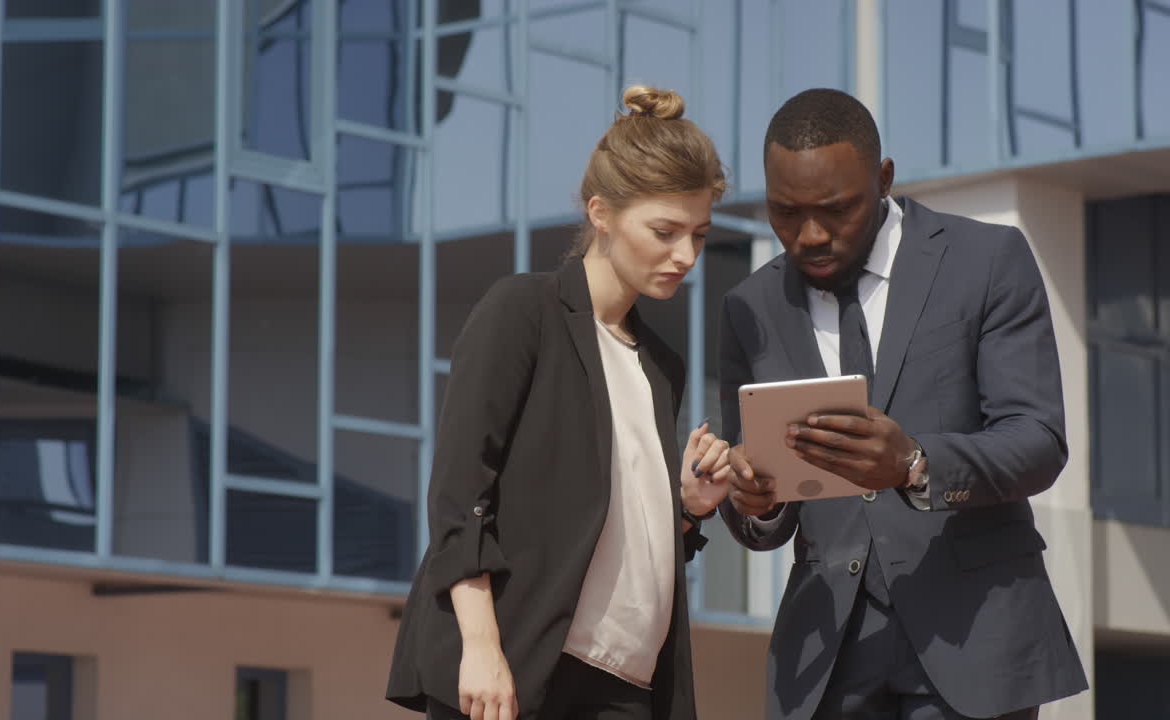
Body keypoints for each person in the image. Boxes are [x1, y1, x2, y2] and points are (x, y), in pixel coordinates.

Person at [717, 88, 1088, 720]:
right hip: (826, 656)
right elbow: (756, 504)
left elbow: (1038, 439)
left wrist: (916, 463)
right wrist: (755, 502)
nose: (809, 235)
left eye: (836, 210)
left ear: (883, 179)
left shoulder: (987, 260)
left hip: (971, 635)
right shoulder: (749, 306)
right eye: (785, 212)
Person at [387, 85, 732, 720]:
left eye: (699, 235)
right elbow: (460, 495)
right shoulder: (523, 311)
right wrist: (483, 650)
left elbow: (607, 531)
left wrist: (685, 511)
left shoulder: (661, 365)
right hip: (517, 673)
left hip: (630, 685)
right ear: (601, 212)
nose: (685, 255)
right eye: (664, 231)